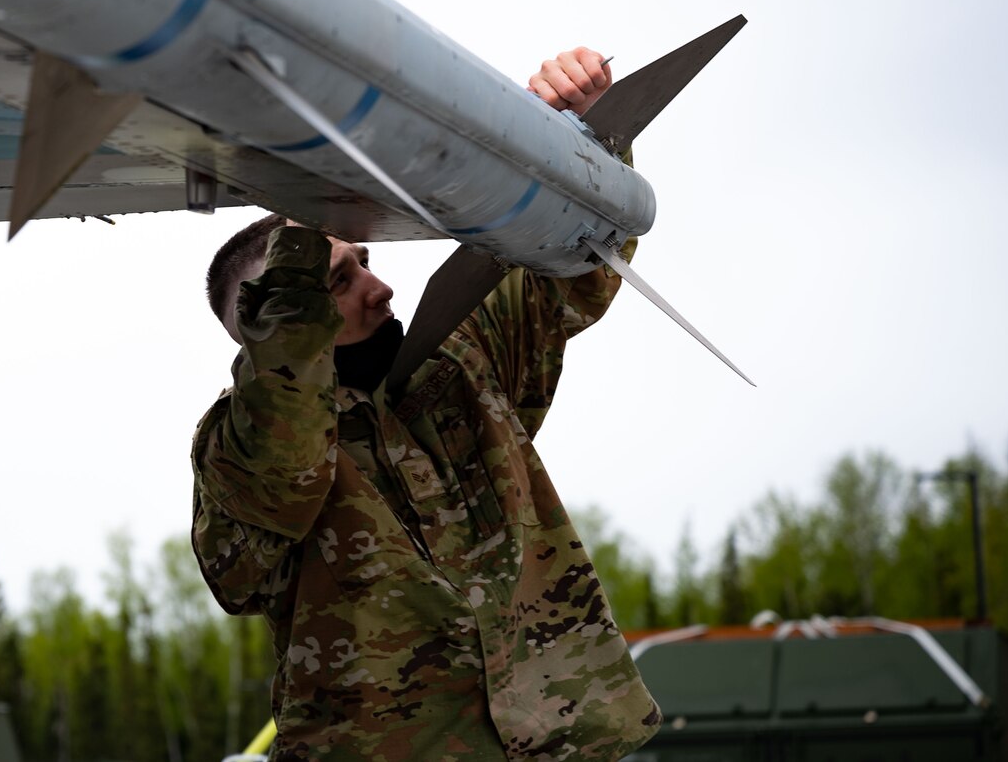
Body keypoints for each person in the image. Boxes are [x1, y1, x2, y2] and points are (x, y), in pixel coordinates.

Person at [191, 47, 661, 760]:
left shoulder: (460, 366)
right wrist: (294, 226)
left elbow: (576, 271)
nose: (379, 291)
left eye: (367, 263)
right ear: (280, 314)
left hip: (559, 742)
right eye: (340, 281)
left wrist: (576, 138)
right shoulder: (240, 455)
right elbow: (279, 461)